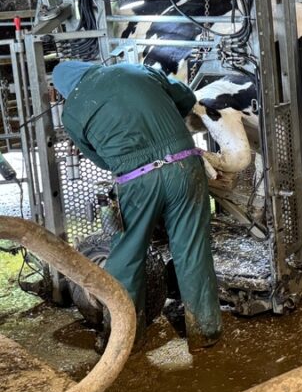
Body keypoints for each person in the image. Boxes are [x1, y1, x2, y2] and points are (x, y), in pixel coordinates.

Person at [52, 60, 221, 350]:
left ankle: (126, 338)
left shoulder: (72, 112)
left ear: (65, 89)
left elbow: (101, 161)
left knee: (128, 256)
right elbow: (186, 97)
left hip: (138, 180)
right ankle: (205, 331)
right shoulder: (135, 69)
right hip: (185, 165)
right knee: (193, 249)